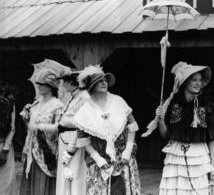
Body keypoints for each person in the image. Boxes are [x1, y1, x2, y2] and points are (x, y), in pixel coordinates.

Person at [155, 61, 214, 195]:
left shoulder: (205, 104)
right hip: (175, 156)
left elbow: (211, 137)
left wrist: (212, 163)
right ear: (185, 82)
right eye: (194, 80)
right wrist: (160, 120)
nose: (198, 83)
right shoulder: (174, 104)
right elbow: (166, 135)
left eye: (200, 80)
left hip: (199, 155)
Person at [71, 65, 141, 195]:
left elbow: (132, 125)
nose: (104, 83)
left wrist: (128, 150)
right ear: (91, 86)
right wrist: (98, 159)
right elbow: (83, 141)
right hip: (100, 160)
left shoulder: (118, 101)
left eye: (104, 80)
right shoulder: (85, 110)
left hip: (122, 157)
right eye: (99, 81)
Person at [19, 68, 64, 195]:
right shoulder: (36, 103)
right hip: (32, 150)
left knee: (43, 184)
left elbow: (59, 128)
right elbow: (30, 128)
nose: (38, 86)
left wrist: (39, 126)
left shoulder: (57, 105)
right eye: (38, 83)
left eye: (42, 84)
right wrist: (26, 119)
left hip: (46, 151)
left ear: (50, 86)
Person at [56, 70, 90, 195]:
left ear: (72, 82)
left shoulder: (84, 97)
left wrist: (64, 121)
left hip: (73, 138)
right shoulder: (74, 97)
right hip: (65, 138)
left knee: (74, 172)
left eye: (64, 81)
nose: (63, 84)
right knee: (65, 173)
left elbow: (83, 121)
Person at [0, 81, 16, 195]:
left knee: (4, 183)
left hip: (2, 145)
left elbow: (12, 127)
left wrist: (5, 148)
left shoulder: (8, 100)